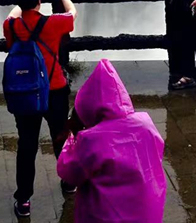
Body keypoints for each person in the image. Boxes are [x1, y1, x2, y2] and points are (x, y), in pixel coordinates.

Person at [56, 60, 166, 222]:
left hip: (107, 216)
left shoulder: (91, 139)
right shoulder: (145, 123)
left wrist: (71, 141)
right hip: (147, 211)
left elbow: (69, 173)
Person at [5, 0, 77, 218]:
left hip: (25, 92)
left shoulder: (11, 26)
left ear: (18, 2)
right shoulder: (53, 23)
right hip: (54, 89)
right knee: (60, 137)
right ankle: (69, 181)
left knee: (27, 144)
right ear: (39, 0)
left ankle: (24, 200)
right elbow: (72, 13)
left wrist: (22, 4)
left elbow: (12, 15)